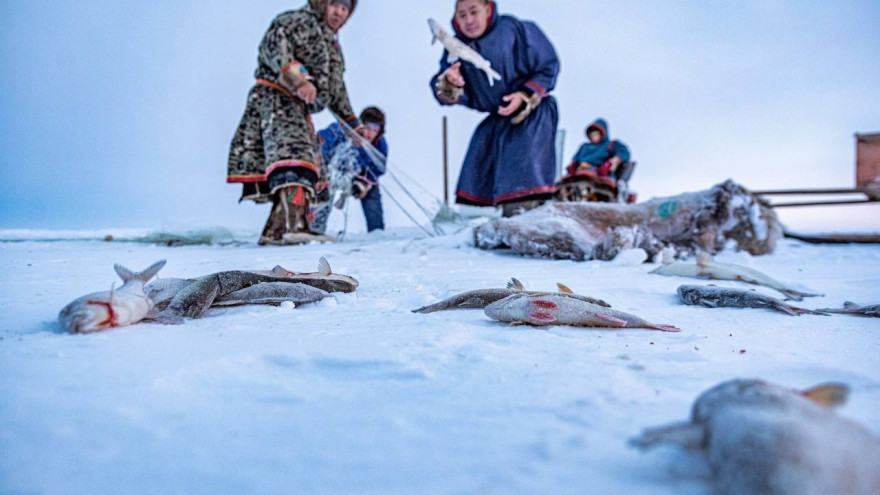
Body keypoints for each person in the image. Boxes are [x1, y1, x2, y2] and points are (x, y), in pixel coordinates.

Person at [227, 0, 364, 245]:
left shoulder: (331, 46)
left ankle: (275, 231)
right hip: (276, 98)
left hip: (298, 109)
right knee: (295, 158)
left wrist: (352, 124)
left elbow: (336, 89)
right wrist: (298, 79)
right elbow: (274, 46)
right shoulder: (295, 21)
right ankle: (296, 226)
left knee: (309, 162)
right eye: (335, 5)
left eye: (345, 9)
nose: (339, 13)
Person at [430, 0, 560, 217]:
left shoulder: (515, 29)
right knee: (479, 172)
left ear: (488, 9)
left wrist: (525, 95)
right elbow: (443, 91)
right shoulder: (455, 46)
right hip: (497, 118)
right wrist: (450, 84)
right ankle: (484, 225)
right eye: (462, 15)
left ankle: (526, 224)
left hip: (531, 114)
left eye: (474, 12)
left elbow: (548, 65)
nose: (469, 20)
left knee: (522, 173)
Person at [312, 107, 389, 233]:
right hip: (330, 172)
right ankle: (315, 230)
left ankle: (377, 232)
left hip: (356, 176)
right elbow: (320, 145)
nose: (370, 134)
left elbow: (377, 170)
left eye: (375, 130)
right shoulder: (339, 131)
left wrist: (363, 184)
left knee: (372, 192)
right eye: (367, 128)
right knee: (323, 195)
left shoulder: (379, 146)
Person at [567, 118, 631, 185]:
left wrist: (614, 160)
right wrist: (573, 164)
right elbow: (576, 157)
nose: (594, 137)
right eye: (592, 135)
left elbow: (624, 152)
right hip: (581, 172)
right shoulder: (584, 147)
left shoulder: (610, 145)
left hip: (601, 173)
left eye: (596, 134)